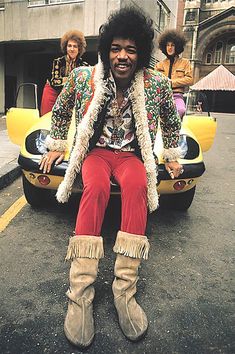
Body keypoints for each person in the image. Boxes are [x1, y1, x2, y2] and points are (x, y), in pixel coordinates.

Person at [39, 7, 183, 348]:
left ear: (141, 53)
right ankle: (80, 295)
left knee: (136, 187)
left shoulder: (157, 83)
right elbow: (59, 109)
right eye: (116, 48)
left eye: (131, 50)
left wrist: (172, 157)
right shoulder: (83, 77)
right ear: (106, 50)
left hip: (131, 155)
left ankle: (125, 293)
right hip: (97, 154)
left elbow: (171, 121)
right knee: (96, 188)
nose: (122, 56)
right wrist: (58, 144)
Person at [40, 29, 88, 116]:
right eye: (69, 46)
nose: (72, 49)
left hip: (69, 95)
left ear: (79, 49)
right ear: (66, 47)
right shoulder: (58, 62)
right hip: (52, 92)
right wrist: (75, 81)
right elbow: (55, 82)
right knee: (47, 119)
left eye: (75, 46)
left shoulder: (83, 65)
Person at [155, 29, 193, 119]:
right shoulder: (159, 65)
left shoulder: (185, 62)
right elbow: (155, 81)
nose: (170, 47)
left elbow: (190, 79)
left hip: (177, 96)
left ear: (177, 47)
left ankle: (174, 129)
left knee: (181, 110)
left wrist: (171, 82)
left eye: (172, 45)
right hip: (161, 96)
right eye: (167, 45)